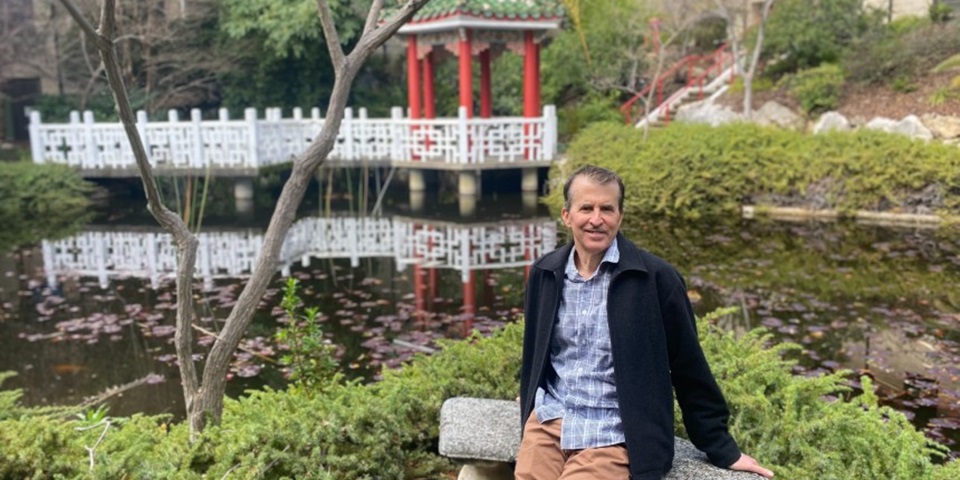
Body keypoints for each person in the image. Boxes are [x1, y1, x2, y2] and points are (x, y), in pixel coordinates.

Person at [516, 165, 774, 480]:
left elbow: (688, 366)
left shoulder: (656, 280)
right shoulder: (545, 274)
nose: (597, 219)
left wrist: (722, 447)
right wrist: (528, 396)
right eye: (586, 208)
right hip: (549, 420)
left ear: (620, 216)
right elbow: (536, 354)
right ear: (567, 215)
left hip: (613, 432)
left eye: (607, 209)